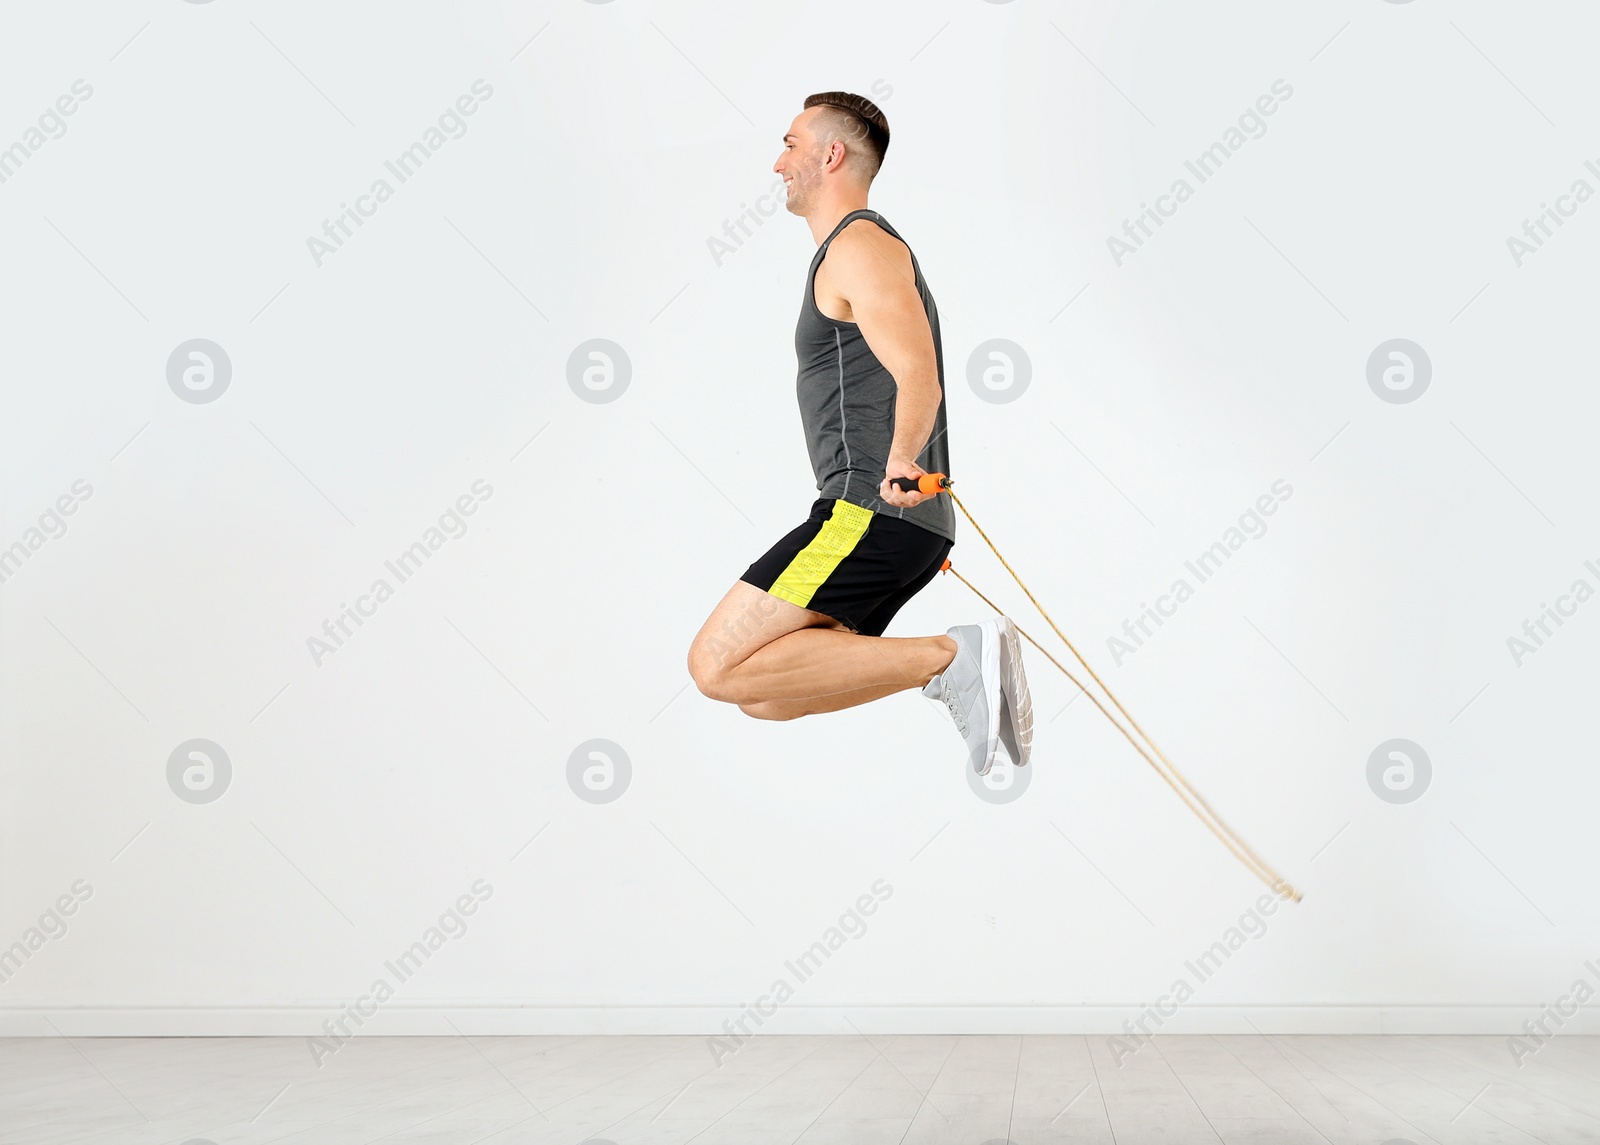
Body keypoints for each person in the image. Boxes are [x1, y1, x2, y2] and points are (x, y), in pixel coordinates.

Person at [686, 91, 1031, 775]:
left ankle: (957, 656)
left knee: (716, 663)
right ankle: (951, 665)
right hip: (896, 523)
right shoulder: (851, 251)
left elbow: (920, 373)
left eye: (790, 144)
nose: (779, 163)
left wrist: (901, 456)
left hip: (868, 510)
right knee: (766, 695)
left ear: (830, 154)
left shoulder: (859, 247)